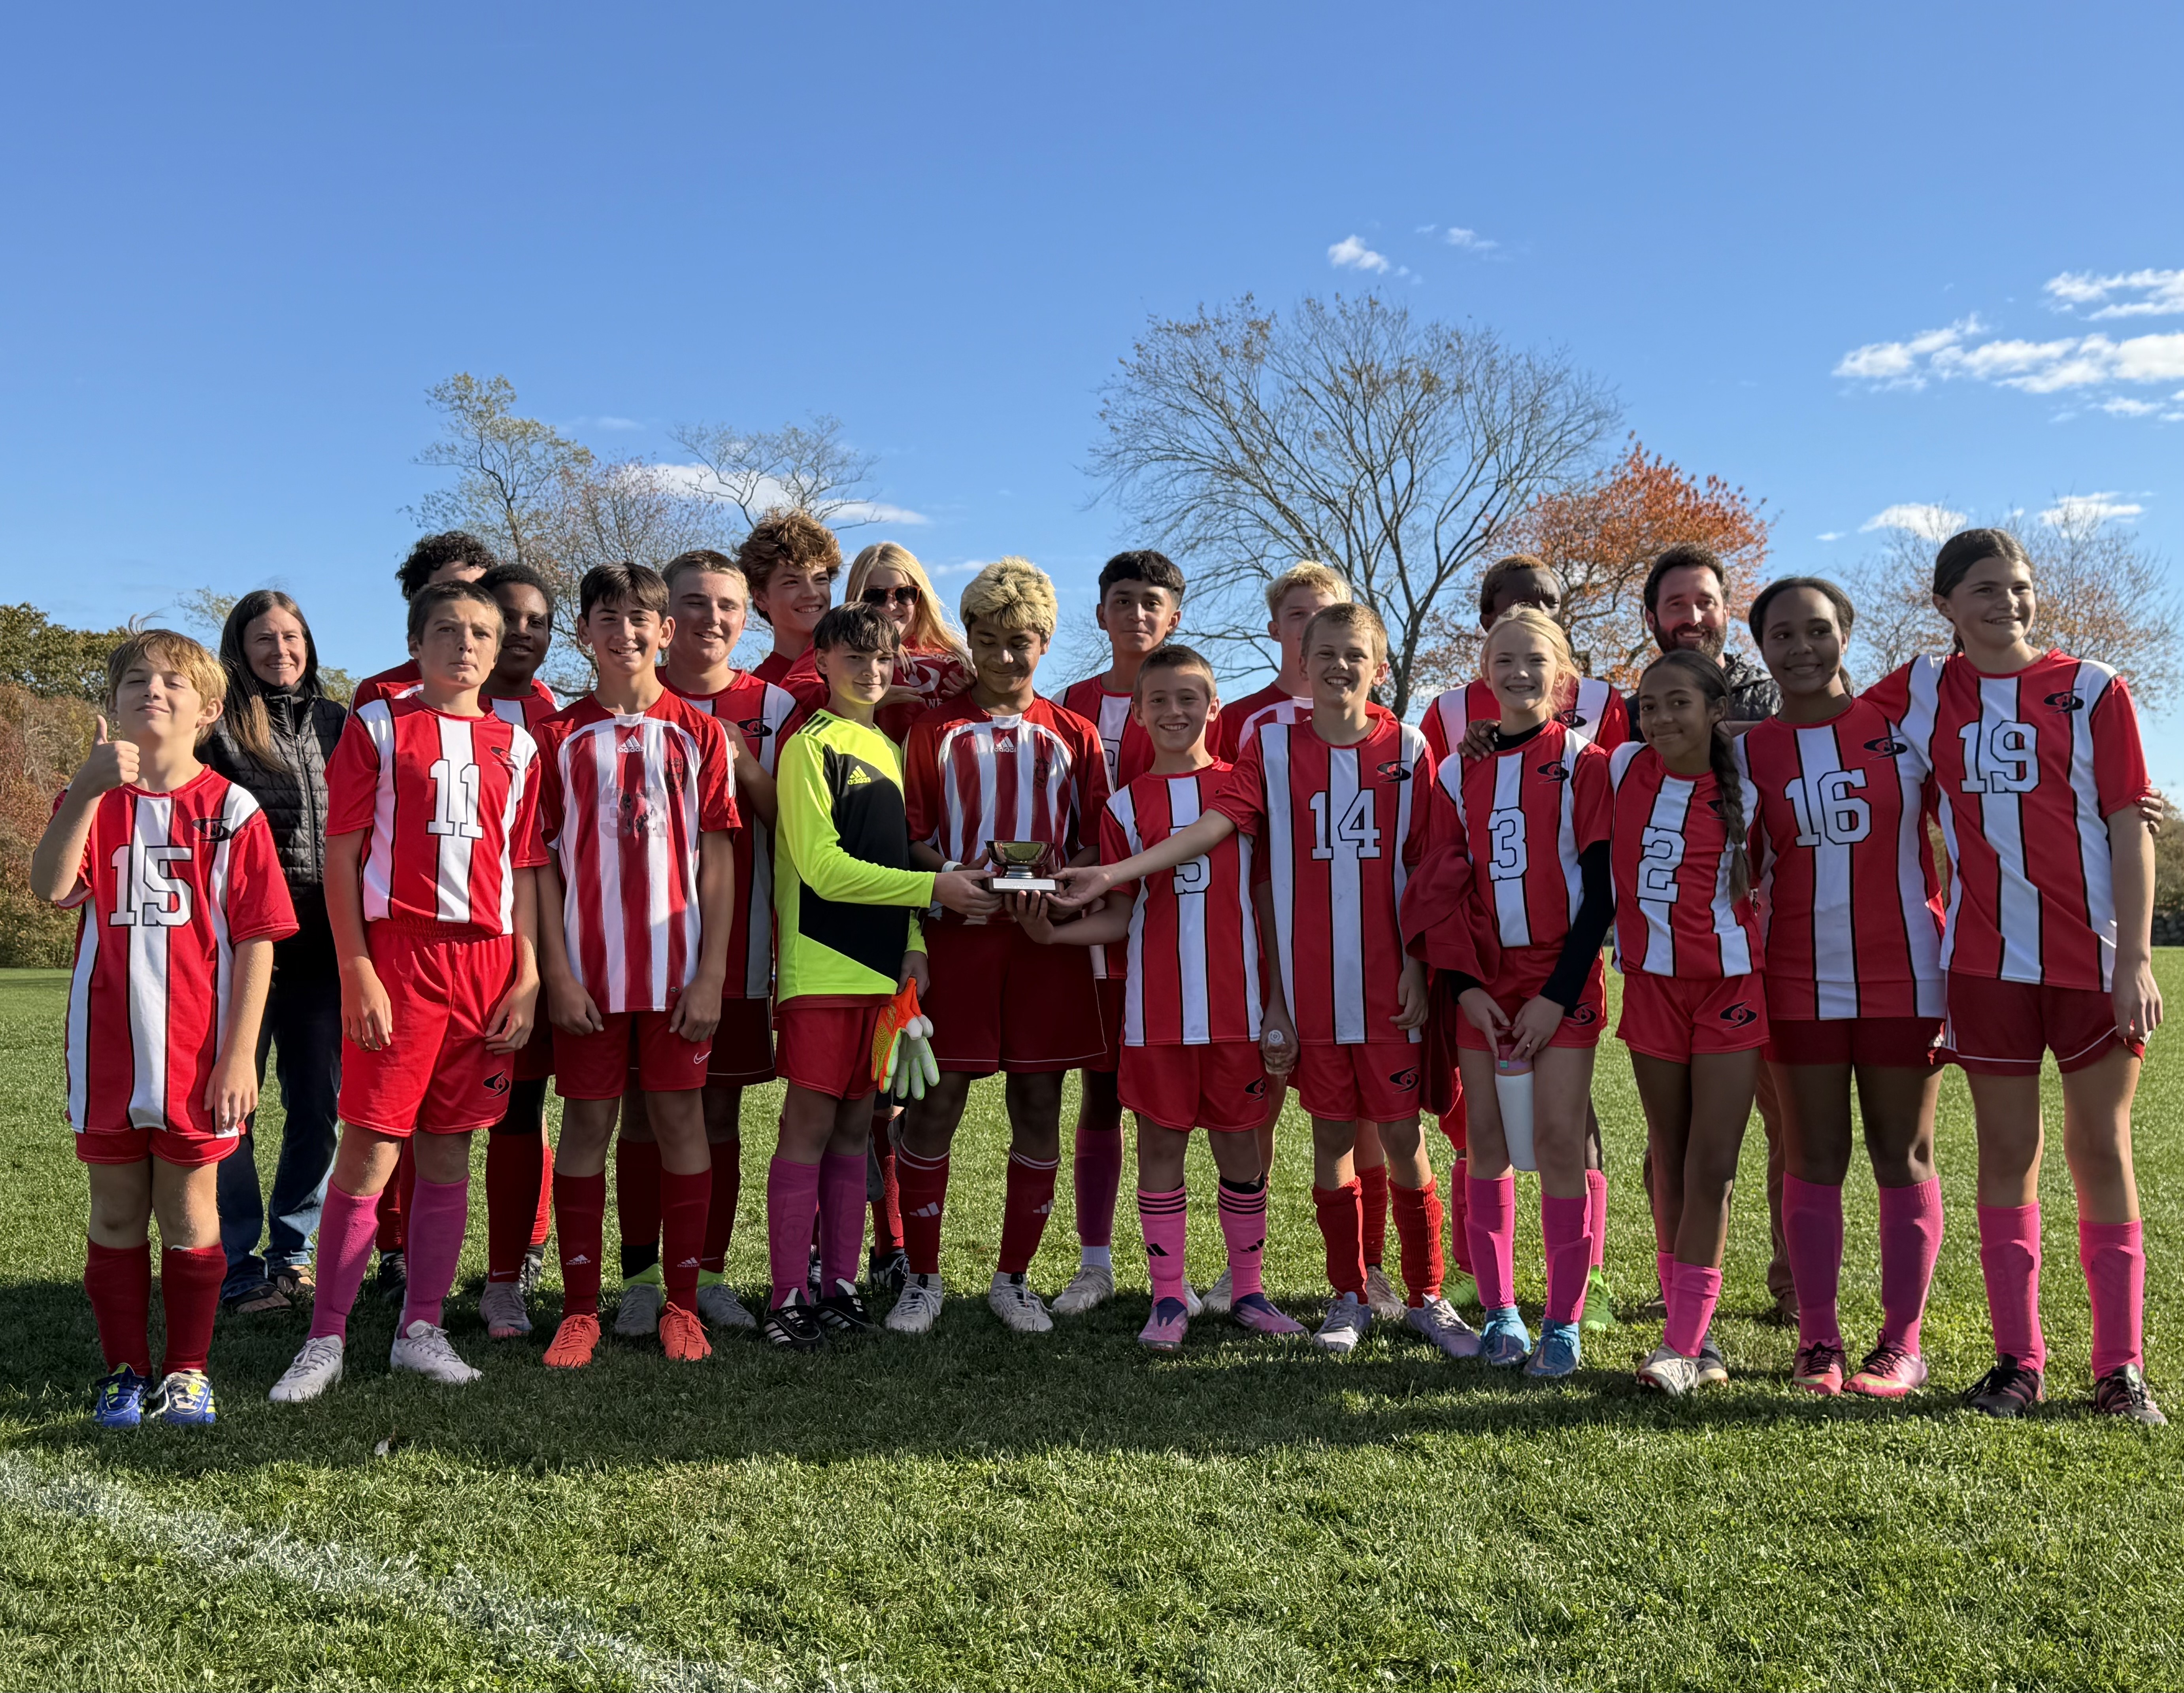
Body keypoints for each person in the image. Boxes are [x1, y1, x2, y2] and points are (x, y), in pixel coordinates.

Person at [1056, 604, 1459, 1359]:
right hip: (1197, 1011)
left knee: (1363, 1141)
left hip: (1299, 1004)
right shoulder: (1237, 764)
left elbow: (1425, 864)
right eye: (1325, 653)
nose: (1340, 666)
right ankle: (1185, 1295)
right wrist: (1076, 904)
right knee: (1197, 1148)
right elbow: (1162, 877)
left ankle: (1361, 1292)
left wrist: (1415, 961)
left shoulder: (1381, 751)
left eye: (1355, 653)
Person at [1860, 528, 2165, 1424]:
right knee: (2006, 1156)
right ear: (1945, 603)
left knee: (2100, 1149)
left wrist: (2136, 958)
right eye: (1985, 588)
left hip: (2092, 963)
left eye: (2019, 586)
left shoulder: (2091, 688)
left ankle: (2119, 1368)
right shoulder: (1922, 690)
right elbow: (1819, 714)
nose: (2007, 602)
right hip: (1985, 965)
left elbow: (2129, 824)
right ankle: (2017, 1360)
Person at [266, 580, 544, 1402]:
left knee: (451, 1146)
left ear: (499, 652)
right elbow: (345, 857)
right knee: (373, 1146)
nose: (466, 644)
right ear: (417, 642)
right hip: (400, 957)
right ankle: (326, 1336)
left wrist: (527, 975)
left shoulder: (519, 746)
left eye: (481, 634)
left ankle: (421, 1325)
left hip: (487, 964)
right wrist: (358, 969)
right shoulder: (379, 726)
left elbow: (524, 869)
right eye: (448, 630)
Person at [33, 631, 296, 1427]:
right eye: (136, 679)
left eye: (175, 681)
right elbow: (50, 889)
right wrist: (80, 792)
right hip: (106, 1048)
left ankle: (187, 1370)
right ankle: (124, 1370)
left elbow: (257, 938)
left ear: (209, 710)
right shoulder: (92, 796)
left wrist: (240, 1053)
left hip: (197, 1057)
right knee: (114, 1213)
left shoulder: (232, 807)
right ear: (111, 704)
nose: (154, 689)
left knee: (190, 1213)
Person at [1022, 644, 1306, 1347]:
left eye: (1190, 699)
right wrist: (1052, 935)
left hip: (1238, 1008)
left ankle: (1246, 1290)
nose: (1175, 712)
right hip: (1157, 1013)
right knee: (1159, 1147)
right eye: (1160, 701)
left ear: (1214, 708)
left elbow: (1263, 892)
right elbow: (1121, 912)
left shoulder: (1245, 785)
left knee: (1242, 1150)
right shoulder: (1122, 805)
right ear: (1140, 714)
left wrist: (1276, 999)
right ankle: (1169, 1298)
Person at [1734, 576, 1948, 1398]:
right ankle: (1818, 1338)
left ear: (1845, 636)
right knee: (1814, 1157)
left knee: (1904, 1154)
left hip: (1909, 970)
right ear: (1762, 648)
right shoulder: (1749, 751)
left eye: (1817, 630)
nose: (1800, 647)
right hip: (1796, 977)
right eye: (1781, 635)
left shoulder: (1905, 722)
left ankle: (1902, 1343)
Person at [764, 602, 1000, 1348]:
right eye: (854, 658)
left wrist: (911, 940)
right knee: (807, 1125)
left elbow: (893, 862)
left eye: (882, 658)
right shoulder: (809, 746)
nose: (870, 670)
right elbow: (825, 870)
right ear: (822, 664)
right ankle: (785, 1296)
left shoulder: (883, 745)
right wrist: (932, 893)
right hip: (820, 967)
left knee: (852, 1130)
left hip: (877, 976)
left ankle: (837, 1284)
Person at [891, 557, 1111, 1336]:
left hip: (1044, 943)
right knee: (938, 1098)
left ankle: (1013, 1278)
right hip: (960, 942)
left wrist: (1061, 884)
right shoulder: (932, 729)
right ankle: (921, 1277)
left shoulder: (1074, 735)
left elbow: (1092, 839)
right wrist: (949, 876)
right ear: (970, 642)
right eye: (988, 641)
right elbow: (911, 836)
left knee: (1040, 1100)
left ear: (1045, 642)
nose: (1005, 657)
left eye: (1020, 642)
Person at [528, 562, 737, 1368]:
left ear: (666, 630)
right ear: (585, 632)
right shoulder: (558, 736)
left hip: (679, 973)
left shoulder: (701, 731)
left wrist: (713, 972)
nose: (625, 633)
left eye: (640, 618)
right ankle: (581, 1309)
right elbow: (538, 863)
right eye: (607, 619)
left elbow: (717, 861)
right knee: (587, 1123)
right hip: (589, 976)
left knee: (683, 1121)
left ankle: (681, 1306)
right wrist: (559, 971)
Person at [1421, 554, 1630, 1319]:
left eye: (1534, 660)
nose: (1518, 672)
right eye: (1503, 660)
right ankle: (1503, 1309)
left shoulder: (1588, 762)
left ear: (1562, 673)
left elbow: (1602, 891)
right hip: (1483, 980)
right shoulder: (1454, 771)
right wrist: (1466, 986)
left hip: (1559, 980)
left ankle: (1568, 1315)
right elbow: (1441, 892)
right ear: (1484, 669)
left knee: (1560, 1137)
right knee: (1484, 1138)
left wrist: (1555, 994)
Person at [351, 530, 548, 1306]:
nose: (471, 613)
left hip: (499, 947)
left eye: (484, 596)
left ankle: (518, 1251)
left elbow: (531, 849)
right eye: (451, 596)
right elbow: (359, 841)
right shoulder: (382, 702)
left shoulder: (537, 706)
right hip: (404, 945)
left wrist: (532, 962)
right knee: (390, 1116)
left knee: (507, 1106)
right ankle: (390, 1254)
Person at [611, 549, 799, 1335]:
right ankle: (639, 1278)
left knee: (718, 1112)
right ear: (663, 618)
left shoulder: (777, 705)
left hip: (735, 945)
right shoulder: (623, 706)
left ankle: (710, 1272)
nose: (711, 619)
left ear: (745, 615)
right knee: (642, 1114)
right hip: (630, 949)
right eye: (694, 603)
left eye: (726, 605)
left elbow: (799, 825)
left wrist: (739, 758)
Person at [1628, 542, 1795, 1324]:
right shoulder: (1632, 738)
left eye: (1704, 601)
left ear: (1728, 607)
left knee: (1787, 1128)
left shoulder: (1775, 706)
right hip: (1663, 978)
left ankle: (1797, 1290)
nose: (1690, 616)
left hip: (1760, 967)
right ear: (1654, 619)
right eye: (1674, 605)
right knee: (1680, 1147)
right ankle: (1685, 1305)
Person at [1614, 651, 1767, 1397]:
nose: (1661, 718)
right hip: (1651, 989)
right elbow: (1535, 736)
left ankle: (1680, 1342)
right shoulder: (1618, 769)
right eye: (1647, 706)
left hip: (1731, 990)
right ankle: (1694, 1336)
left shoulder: (1755, 783)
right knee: (1667, 1157)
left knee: (1713, 1163)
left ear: (1715, 709)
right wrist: (1482, 736)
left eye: (1678, 702)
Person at [202, 591, 348, 1317]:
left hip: (325, 950)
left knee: (318, 1107)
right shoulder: (220, 729)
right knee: (233, 1110)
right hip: (238, 950)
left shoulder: (339, 722)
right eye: (265, 638)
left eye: (292, 637)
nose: (281, 650)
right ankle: (236, 1263)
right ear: (241, 646)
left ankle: (292, 1252)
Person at [1053, 549, 1189, 1319]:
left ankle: (1179, 1272)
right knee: (1100, 1093)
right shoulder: (1066, 703)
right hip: (1093, 931)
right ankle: (1095, 1261)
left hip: (1173, 934)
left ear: (1175, 617)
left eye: (1152, 602)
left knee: (1172, 1108)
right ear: (1100, 612)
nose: (1137, 613)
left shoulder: (1197, 703)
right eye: (1123, 600)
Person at [471, 561, 564, 1340]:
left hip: (556, 944)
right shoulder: (428, 708)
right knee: (486, 1114)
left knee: (541, 1110)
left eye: (540, 619)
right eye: (513, 616)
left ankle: (524, 1267)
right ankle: (429, 1266)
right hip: (469, 948)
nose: (526, 631)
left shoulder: (561, 715)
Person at [780, 540, 975, 740]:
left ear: (920, 597)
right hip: (875, 762)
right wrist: (860, 700)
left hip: (939, 763)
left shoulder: (950, 653)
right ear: (858, 597)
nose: (891, 606)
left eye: (903, 594)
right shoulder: (841, 639)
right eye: (876, 595)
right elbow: (793, 695)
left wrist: (975, 693)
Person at [737, 508, 841, 687]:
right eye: (792, 582)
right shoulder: (758, 690)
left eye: (820, 580)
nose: (811, 593)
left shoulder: (859, 671)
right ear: (760, 597)